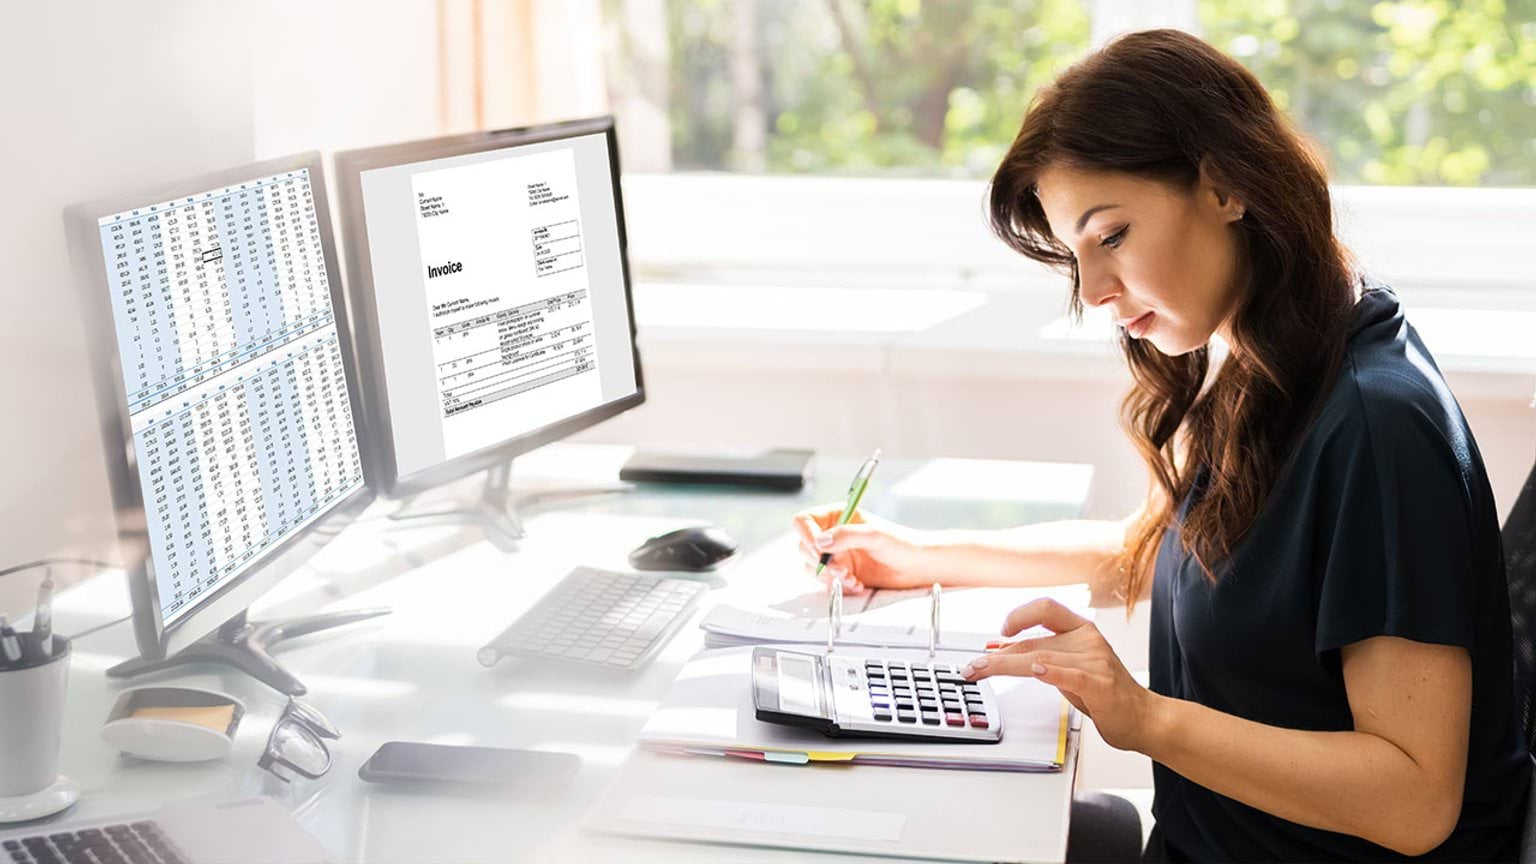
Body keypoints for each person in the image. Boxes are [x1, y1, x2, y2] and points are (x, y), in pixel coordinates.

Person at [793, 28, 1531, 863]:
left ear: (1225, 186)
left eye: (1111, 236)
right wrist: (925, 557)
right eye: (1075, 255)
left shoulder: (1375, 427)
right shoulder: (1270, 354)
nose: (1095, 293)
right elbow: (1175, 554)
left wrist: (1141, 717)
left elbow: (1413, 799)